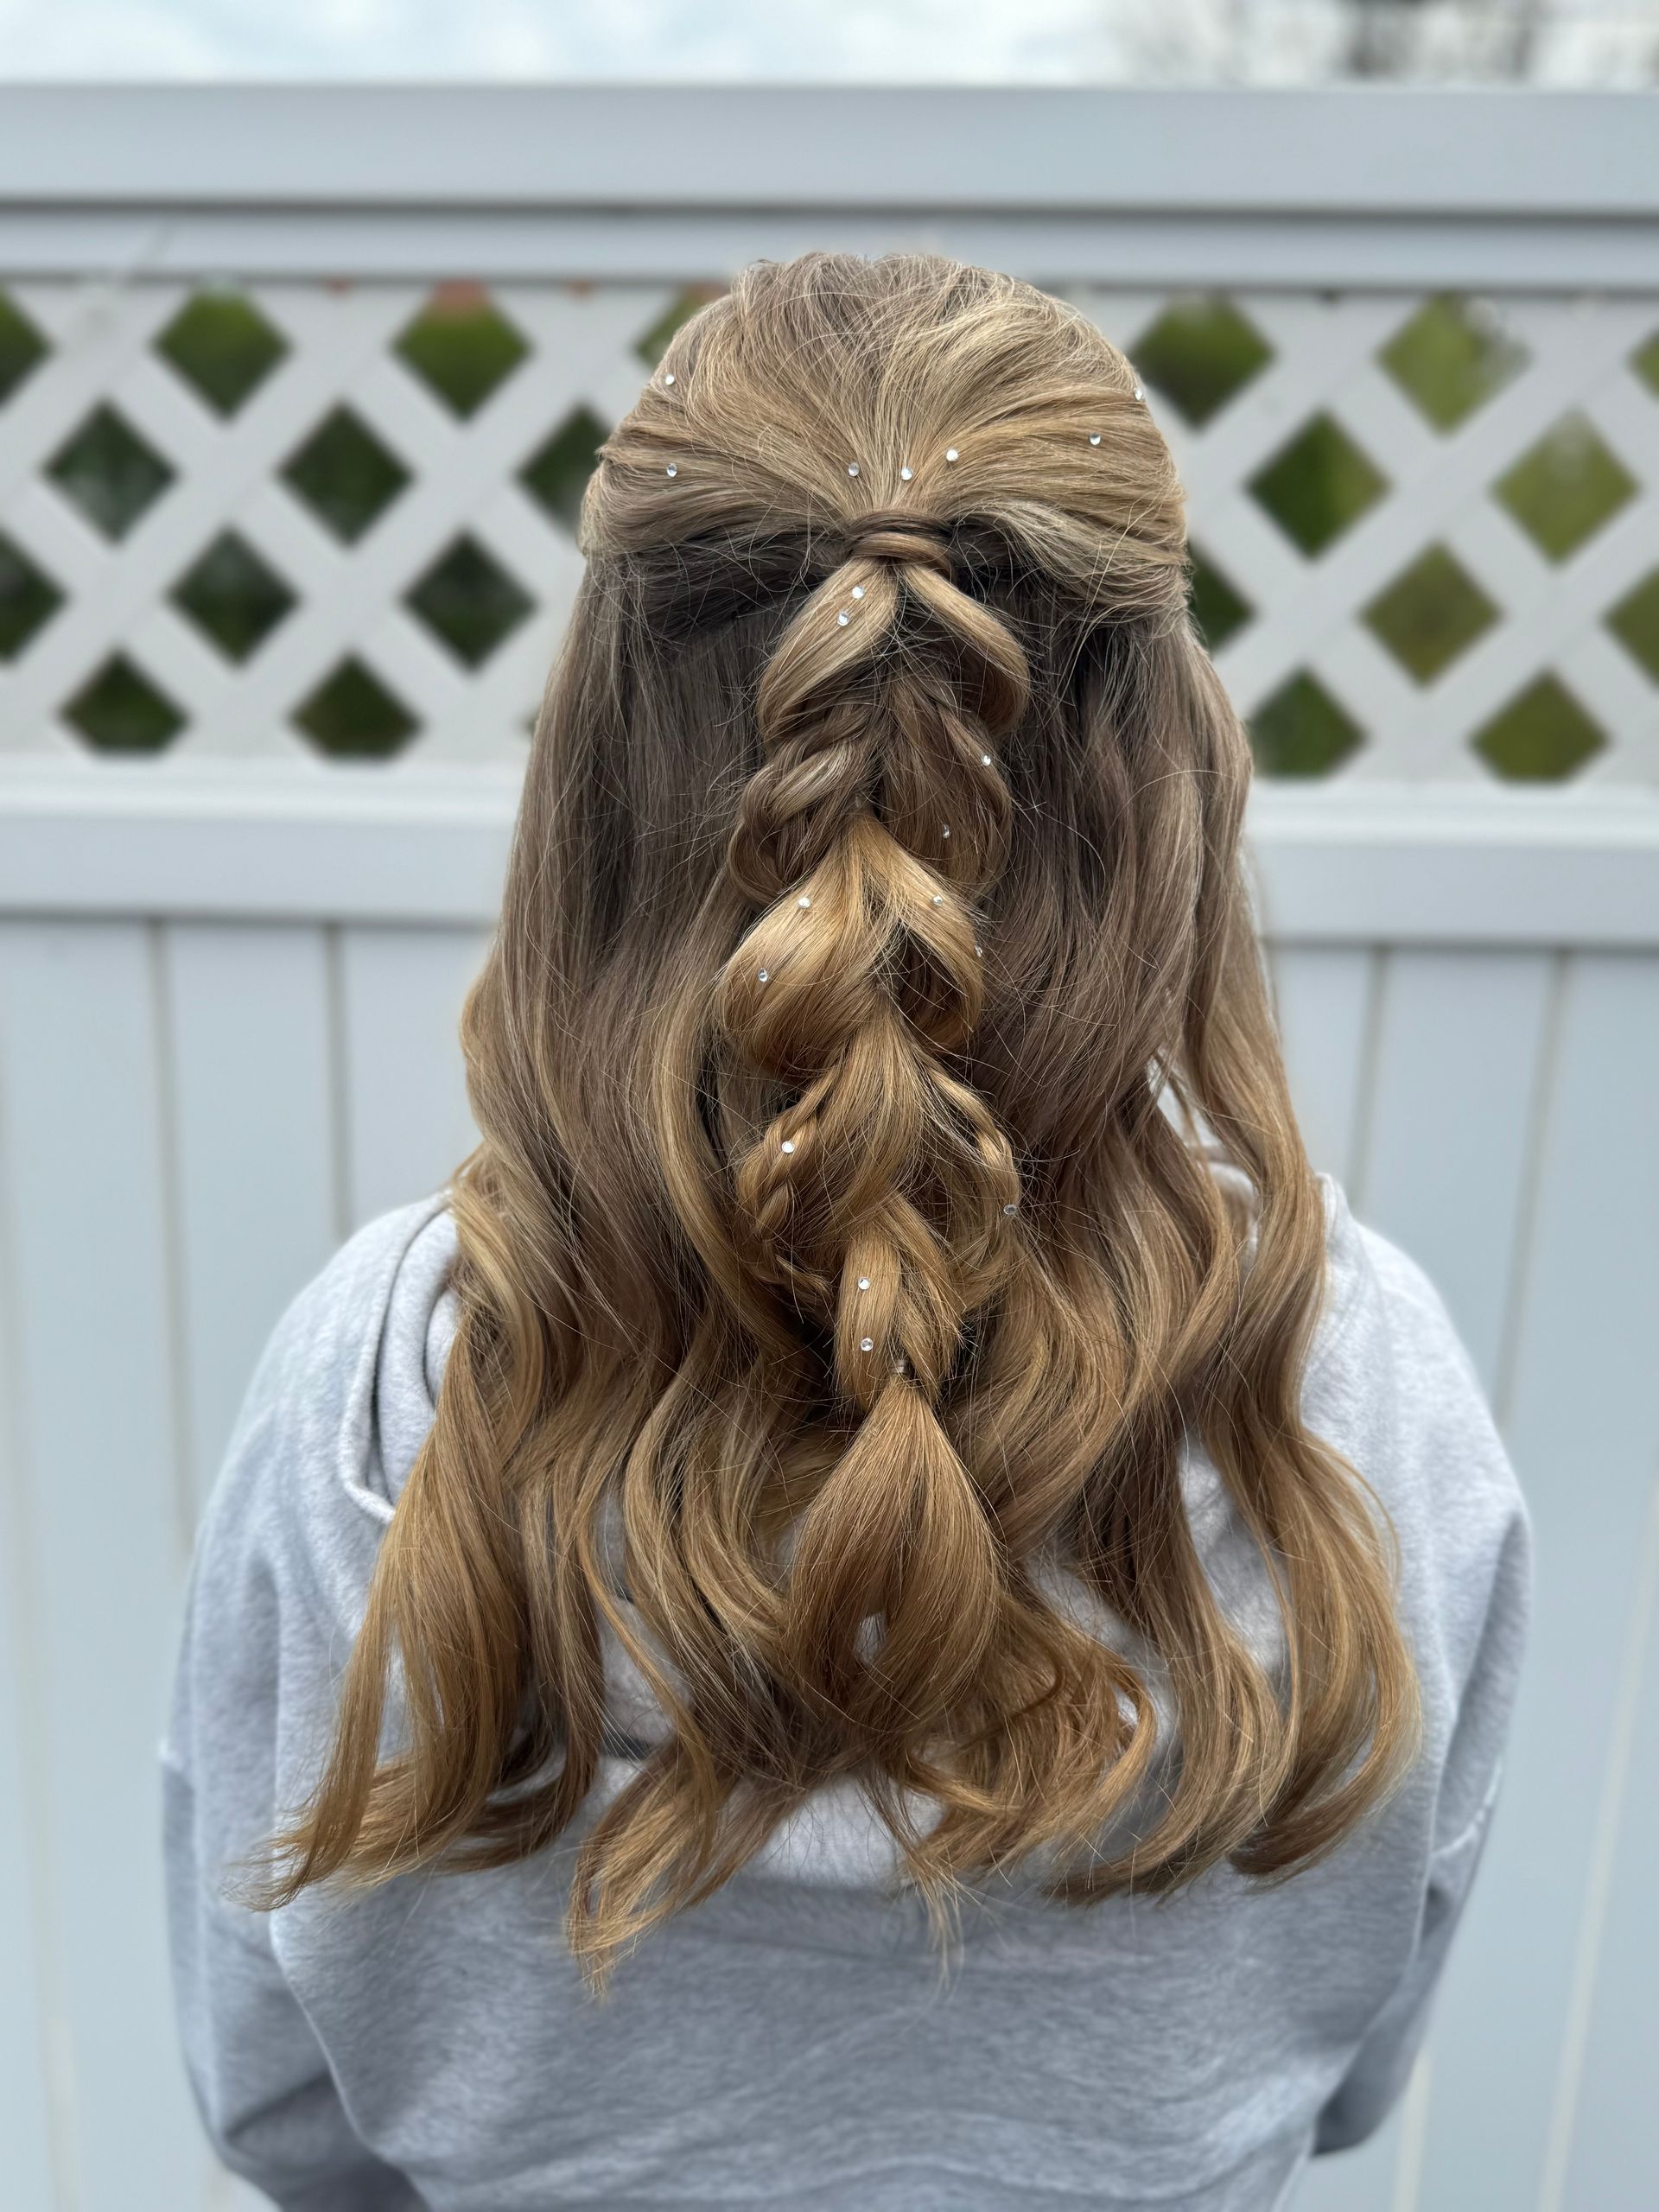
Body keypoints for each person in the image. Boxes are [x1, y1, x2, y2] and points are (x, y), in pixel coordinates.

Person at [163, 252, 1530, 2212]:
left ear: (594, 773)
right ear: (1170, 774)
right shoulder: (1353, 1379)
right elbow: (1353, 2056)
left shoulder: (382, 1388)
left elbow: (274, 2093)